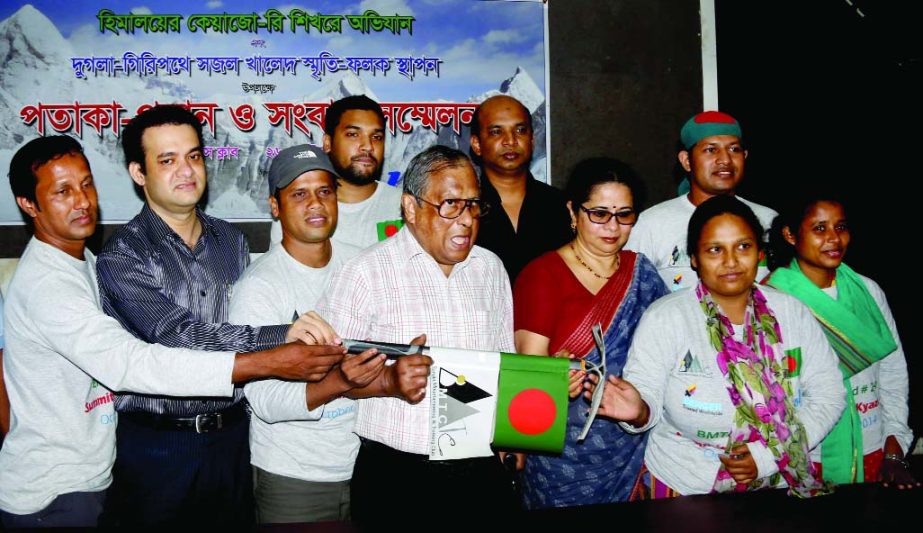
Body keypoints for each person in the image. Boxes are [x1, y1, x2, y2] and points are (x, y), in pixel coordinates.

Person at [0, 135, 344, 528]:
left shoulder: (82, 261)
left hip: (212, 444)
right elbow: (144, 353)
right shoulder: (69, 277)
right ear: (29, 204)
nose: (82, 200)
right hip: (65, 484)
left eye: (86, 184)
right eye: (62, 191)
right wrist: (269, 353)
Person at [95, 105, 339, 527]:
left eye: (193, 156)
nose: (186, 170)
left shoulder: (231, 241)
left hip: (231, 440)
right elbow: (176, 334)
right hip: (156, 447)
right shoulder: (123, 255)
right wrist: (282, 337)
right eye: (167, 160)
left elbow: (239, 320)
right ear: (139, 173)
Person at [589, 195, 845, 497]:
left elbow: (829, 395)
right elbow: (647, 401)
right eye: (714, 250)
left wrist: (767, 456)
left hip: (779, 482)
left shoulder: (791, 312)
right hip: (684, 485)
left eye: (743, 246)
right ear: (694, 258)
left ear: (759, 252)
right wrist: (639, 411)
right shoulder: (666, 317)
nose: (731, 261)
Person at [316, 145, 517, 525]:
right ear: (410, 208)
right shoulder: (365, 273)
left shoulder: (490, 269)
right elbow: (328, 374)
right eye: (450, 205)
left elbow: (503, 361)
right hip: (398, 475)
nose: (465, 220)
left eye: (473, 205)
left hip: (479, 467)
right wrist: (388, 380)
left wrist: (546, 387)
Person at [229, 144, 379, 523]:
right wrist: (339, 380)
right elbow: (263, 401)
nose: (315, 203)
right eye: (299, 193)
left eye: (324, 191)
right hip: (295, 475)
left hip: (368, 462)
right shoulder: (259, 286)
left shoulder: (363, 264)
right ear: (275, 207)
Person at [513, 157, 669, 508]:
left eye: (624, 215)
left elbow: (672, 358)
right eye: (599, 213)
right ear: (573, 212)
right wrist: (552, 378)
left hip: (636, 449)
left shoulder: (642, 275)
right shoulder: (542, 276)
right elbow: (527, 379)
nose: (612, 227)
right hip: (561, 462)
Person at [764, 193, 917, 488]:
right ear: (790, 234)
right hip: (803, 454)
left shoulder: (868, 291)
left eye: (841, 227)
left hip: (873, 448)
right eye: (819, 228)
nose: (834, 238)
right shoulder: (773, 298)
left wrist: (894, 446)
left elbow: (893, 371)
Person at [626, 111, 777, 292]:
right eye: (711, 150)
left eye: (734, 149)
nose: (725, 160)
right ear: (687, 160)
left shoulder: (768, 220)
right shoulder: (652, 224)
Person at [270, 95, 403, 249]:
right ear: (328, 143)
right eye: (353, 134)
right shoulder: (298, 211)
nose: (368, 146)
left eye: (377, 137)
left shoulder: (407, 206)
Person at [470, 95, 572, 283]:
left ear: (532, 140)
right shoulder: (461, 210)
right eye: (496, 132)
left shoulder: (562, 207)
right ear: (477, 144)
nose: (510, 140)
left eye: (520, 130)